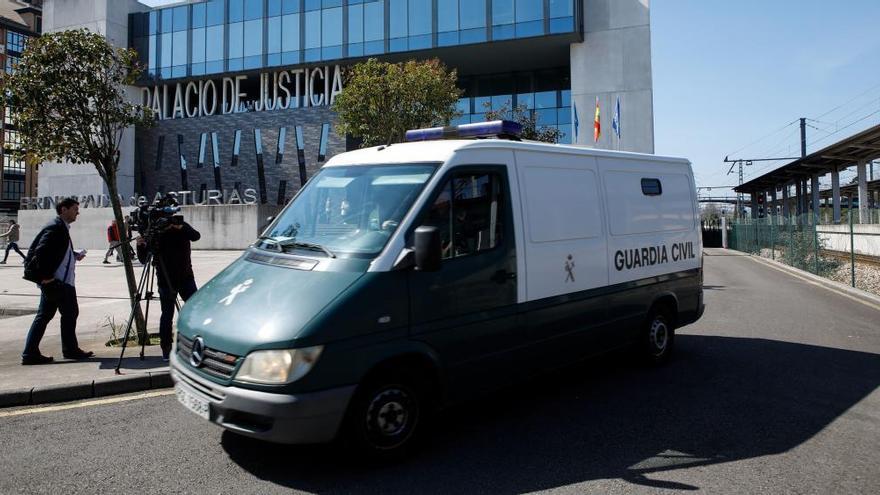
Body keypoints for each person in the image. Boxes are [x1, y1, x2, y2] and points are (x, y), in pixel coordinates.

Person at [21, 197, 93, 365]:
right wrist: (47, 278)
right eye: (75, 209)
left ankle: (30, 353)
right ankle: (69, 350)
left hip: (57, 282)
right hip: (58, 283)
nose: (78, 212)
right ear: (64, 210)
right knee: (69, 314)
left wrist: (74, 255)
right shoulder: (55, 228)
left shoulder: (60, 227)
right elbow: (41, 253)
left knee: (45, 316)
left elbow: (55, 252)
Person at [137, 216, 200, 361]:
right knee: (167, 314)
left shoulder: (181, 226)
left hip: (186, 278)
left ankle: (195, 344)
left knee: (195, 311)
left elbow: (196, 236)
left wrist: (182, 227)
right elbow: (143, 258)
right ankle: (166, 348)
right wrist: (140, 245)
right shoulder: (156, 232)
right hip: (165, 280)